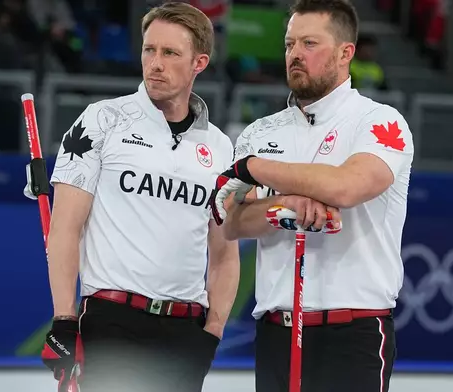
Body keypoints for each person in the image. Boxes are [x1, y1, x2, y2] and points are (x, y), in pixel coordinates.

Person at [25, 3, 240, 391]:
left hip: (186, 331)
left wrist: (212, 334)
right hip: (112, 322)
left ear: (200, 62)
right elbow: (64, 229)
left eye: (170, 53)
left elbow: (224, 253)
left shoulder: (221, 147)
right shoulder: (101, 120)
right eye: (149, 50)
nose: (155, 63)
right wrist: (63, 320)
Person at [211, 0, 414, 391]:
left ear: (345, 53)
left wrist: (255, 169)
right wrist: (280, 207)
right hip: (277, 331)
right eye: (289, 45)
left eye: (309, 43)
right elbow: (233, 222)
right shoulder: (260, 132)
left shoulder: (379, 121)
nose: (295, 55)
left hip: (353, 330)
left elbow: (347, 187)